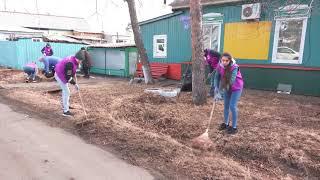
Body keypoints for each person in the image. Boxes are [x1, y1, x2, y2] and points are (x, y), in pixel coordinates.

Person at [214, 52, 244, 134]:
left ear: (229, 60)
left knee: (232, 106)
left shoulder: (234, 67)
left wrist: (221, 93)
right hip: (226, 87)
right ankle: (226, 124)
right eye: (223, 60)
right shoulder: (220, 66)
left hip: (236, 87)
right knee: (226, 106)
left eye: (226, 61)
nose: (224, 62)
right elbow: (216, 77)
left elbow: (231, 81)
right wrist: (216, 88)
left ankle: (234, 127)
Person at [54, 50, 84, 117]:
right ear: (77, 58)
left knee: (65, 91)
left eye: (81, 60)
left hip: (63, 73)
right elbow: (68, 77)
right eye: (80, 60)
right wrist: (75, 84)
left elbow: (73, 72)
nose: (80, 61)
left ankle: (65, 105)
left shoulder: (74, 59)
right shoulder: (70, 63)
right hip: (60, 75)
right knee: (67, 92)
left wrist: (75, 82)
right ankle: (65, 111)